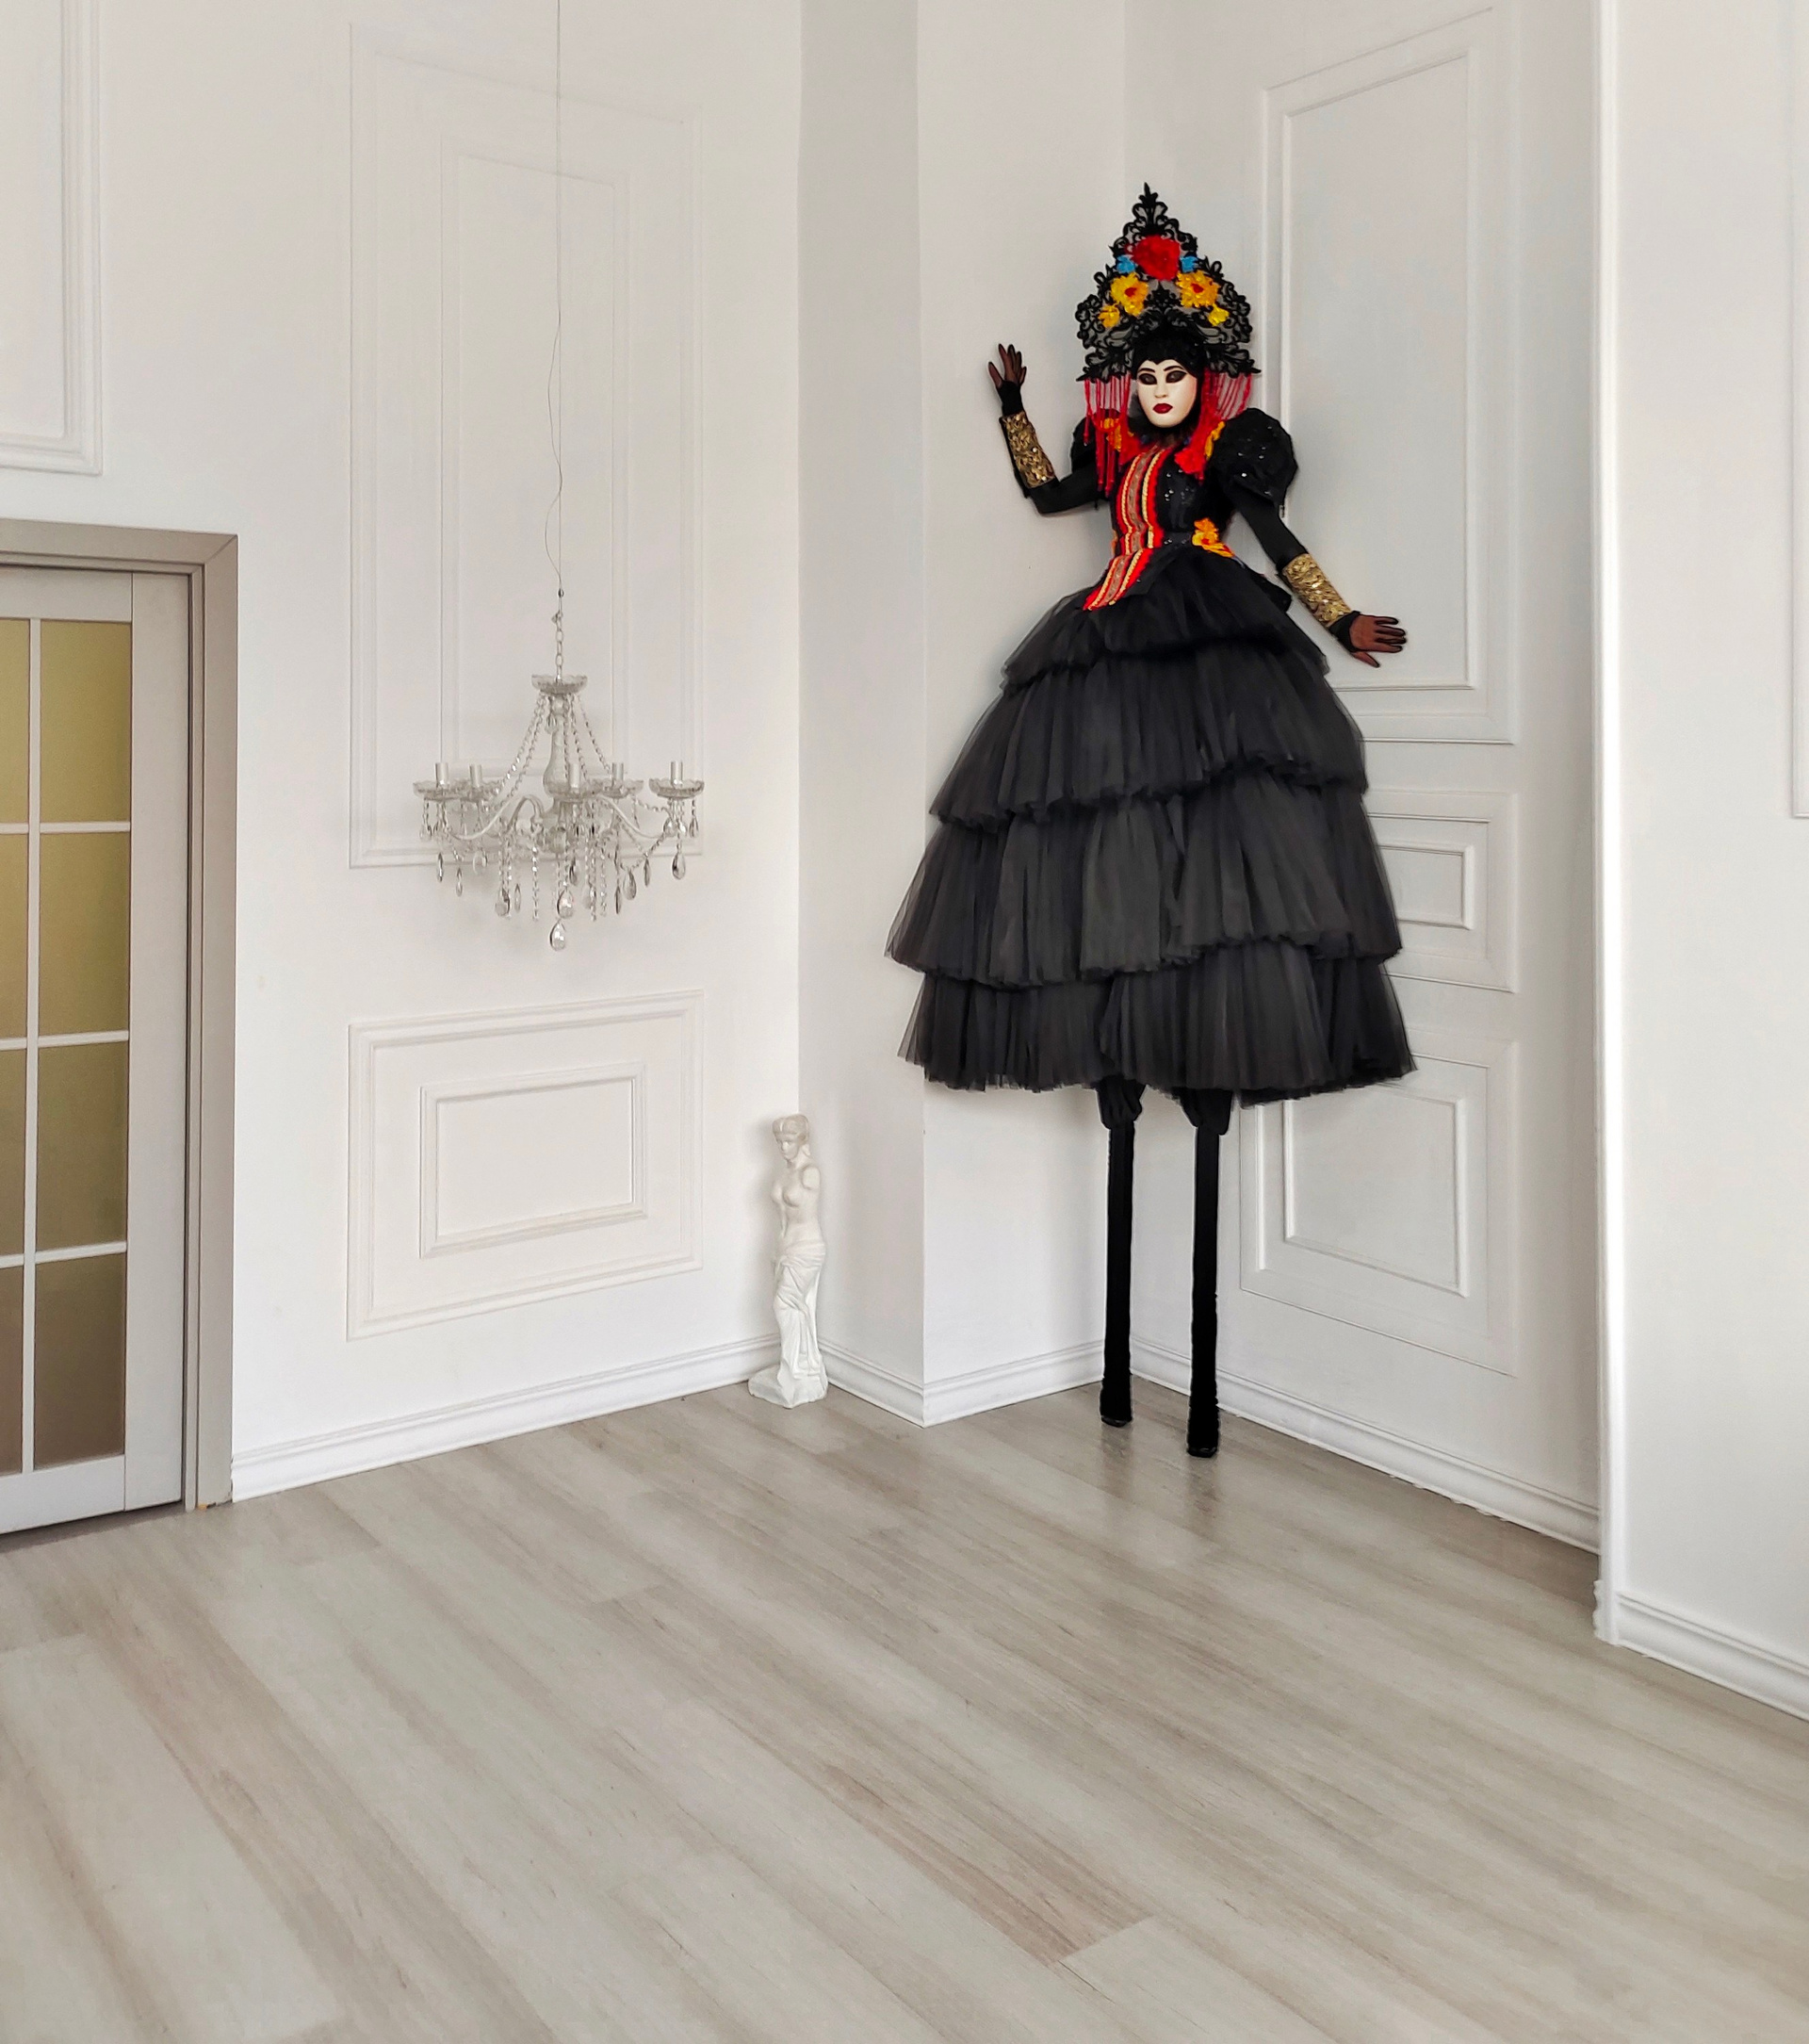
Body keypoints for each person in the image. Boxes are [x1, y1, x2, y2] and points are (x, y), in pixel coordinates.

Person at [888, 187, 1412, 1456]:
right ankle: (1123, 1359)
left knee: (1219, 849)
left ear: (1205, 385)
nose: (1163, 390)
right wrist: (1015, 408)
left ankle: (1201, 1374)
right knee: (1109, 843)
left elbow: (1281, 543)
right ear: (1131, 385)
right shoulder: (1117, 456)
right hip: (1109, 650)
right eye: (1149, 376)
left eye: (1179, 375)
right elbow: (1042, 494)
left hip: (1210, 645)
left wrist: (1342, 619)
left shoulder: (1224, 462)